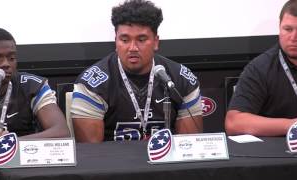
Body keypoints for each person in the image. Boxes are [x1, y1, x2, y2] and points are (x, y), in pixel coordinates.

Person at [71, 0, 203, 143]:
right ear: (116, 41)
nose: (132, 47)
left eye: (141, 39)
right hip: (113, 163)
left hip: (164, 163)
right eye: (125, 40)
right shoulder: (92, 83)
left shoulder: (181, 79)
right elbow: (91, 154)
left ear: (156, 42)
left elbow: (190, 147)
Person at [0, 27, 70, 156]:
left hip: (22, 163)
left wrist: (7, 145)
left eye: (11, 58)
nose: (6, 64)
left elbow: (61, 133)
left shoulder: (32, 85)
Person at [225, 0, 297, 136]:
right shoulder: (260, 68)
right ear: (279, 28)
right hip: (281, 152)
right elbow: (234, 122)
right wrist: (293, 125)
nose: (294, 37)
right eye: (288, 29)